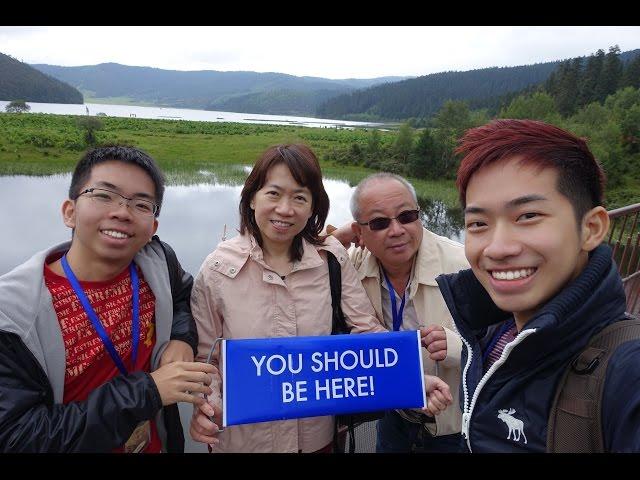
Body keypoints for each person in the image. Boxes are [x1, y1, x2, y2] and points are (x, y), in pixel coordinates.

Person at [188, 145, 453, 453]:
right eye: (273, 194)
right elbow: (205, 359)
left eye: (300, 197)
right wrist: (208, 407)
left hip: (318, 438)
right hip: (242, 440)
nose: (286, 209)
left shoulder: (330, 259)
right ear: (251, 198)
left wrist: (413, 382)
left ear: (314, 206)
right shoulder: (218, 269)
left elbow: (366, 330)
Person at [435, 118, 640, 452]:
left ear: (591, 228)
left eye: (527, 216)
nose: (498, 248)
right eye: (478, 223)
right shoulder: (490, 337)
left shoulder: (627, 372)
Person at [0, 145, 216, 453]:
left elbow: (183, 295)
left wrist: (182, 338)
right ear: (69, 212)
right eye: (103, 195)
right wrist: (149, 392)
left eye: (141, 204)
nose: (121, 212)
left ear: (152, 226)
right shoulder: (13, 316)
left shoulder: (158, 264)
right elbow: (17, 437)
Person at [329, 172, 469, 453]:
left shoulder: (464, 265)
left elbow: (509, 346)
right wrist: (337, 238)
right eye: (380, 223)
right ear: (361, 232)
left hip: (456, 430)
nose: (396, 230)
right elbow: (300, 252)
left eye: (406, 216)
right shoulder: (355, 264)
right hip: (395, 418)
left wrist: (456, 346)